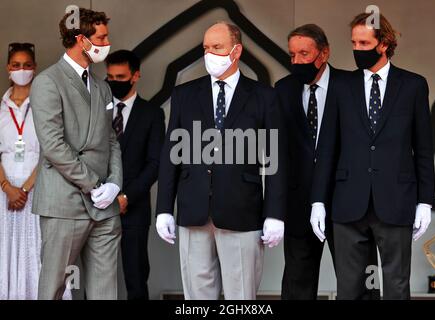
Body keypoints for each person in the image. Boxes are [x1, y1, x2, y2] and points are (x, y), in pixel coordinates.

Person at [155, 22, 287, 300]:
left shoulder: (264, 96)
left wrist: (275, 212)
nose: (209, 54)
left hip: (242, 210)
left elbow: (276, 157)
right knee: (198, 296)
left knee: (241, 296)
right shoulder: (185, 94)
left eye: (217, 47)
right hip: (193, 210)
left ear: (236, 50)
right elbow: (170, 154)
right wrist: (164, 208)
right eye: (206, 48)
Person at [311, 13, 435, 299]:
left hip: (396, 199)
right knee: (350, 289)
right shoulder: (341, 86)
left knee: (396, 285)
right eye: (354, 42)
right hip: (347, 202)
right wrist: (318, 200)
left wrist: (425, 202)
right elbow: (327, 147)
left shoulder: (413, 85)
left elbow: (423, 149)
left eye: (364, 42)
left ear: (384, 43)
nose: (357, 49)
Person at [275, 24, 380, 300]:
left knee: (360, 284)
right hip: (300, 203)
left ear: (324, 53)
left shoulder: (354, 85)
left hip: (348, 202)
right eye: (292, 55)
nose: (297, 61)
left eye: (304, 53)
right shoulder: (283, 89)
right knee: (297, 283)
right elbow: (279, 152)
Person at [30, 8, 122, 300]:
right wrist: (95, 185)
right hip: (64, 203)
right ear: (82, 40)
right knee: (54, 288)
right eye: (102, 37)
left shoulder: (101, 88)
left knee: (105, 291)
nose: (108, 42)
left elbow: (112, 141)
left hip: (104, 207)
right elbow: (54, 145)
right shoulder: (48, 82)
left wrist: (114, 185)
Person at [105, 50, 165, 300]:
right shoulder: (97, 110)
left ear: (135, 76)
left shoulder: (152, 114)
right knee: (98, 278)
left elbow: (155, 164)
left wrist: (126, 197)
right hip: (97, 206)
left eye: (120, 77)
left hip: (134, 208)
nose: (114, 83)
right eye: (109, 77)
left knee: (136, 277)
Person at [0, 43, 40, 300]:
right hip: (3, 194)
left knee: (35, 254)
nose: (21, 69)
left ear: (34, 69)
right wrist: (7, 188)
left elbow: (51, 152)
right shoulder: (0, 109)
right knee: (6, 253)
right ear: (8, 68)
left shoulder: (44, 105)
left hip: (35, 192)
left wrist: (23, 190)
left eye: (27, 65)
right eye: (16, 65)